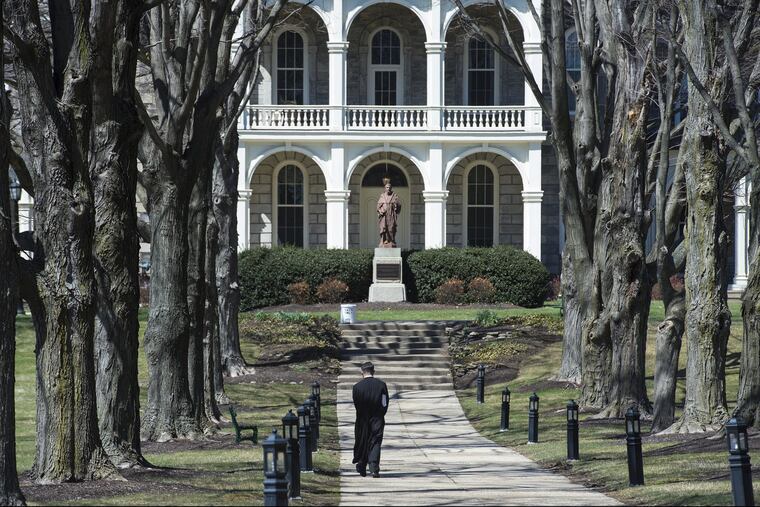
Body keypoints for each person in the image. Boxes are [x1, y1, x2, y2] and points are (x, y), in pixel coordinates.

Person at [352, 361, 389, 477]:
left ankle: (362, 465)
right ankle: (374, 467)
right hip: (377, 418)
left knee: (362, 441)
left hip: (362, 418)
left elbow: (356, 404)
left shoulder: (357, 387)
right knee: (375, 442)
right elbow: (384, 403)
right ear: (374, 371)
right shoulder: (381, 385)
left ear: (362, 373)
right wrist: (381, 414)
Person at [377, 178, 401, 247]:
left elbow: (399, 205)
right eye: (387, 187)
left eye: (389, 187)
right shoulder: (382, 196)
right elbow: (378, 206)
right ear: (385, 188)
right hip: (384, 215)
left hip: (391, 214)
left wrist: (396, 205)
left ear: (391, 188)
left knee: (391, 228)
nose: (388, 188)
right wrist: (381, 211)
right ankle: (383, 241)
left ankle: (392, 241)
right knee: (383, 228)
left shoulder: (394, 195)